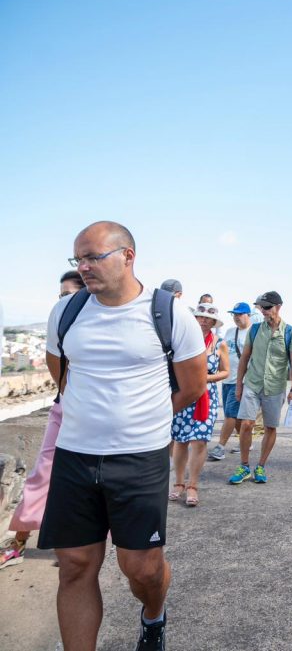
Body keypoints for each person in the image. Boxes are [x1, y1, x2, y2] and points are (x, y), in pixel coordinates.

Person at [41, 221, 206, 651]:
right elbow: (59, 372)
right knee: (75, 565)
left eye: (94, 256)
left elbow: (192, 386)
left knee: (142, 569)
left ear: (128, 256)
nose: (84, 266)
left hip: (139, 459)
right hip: (75, 456)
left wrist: (144, 418)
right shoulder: (66, 311)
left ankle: (154, 616)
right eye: (78, 258)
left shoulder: (169, 312)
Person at [0, 270, 85, 570]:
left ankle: (80, 547)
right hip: (64, 408)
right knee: (41, 475)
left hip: (94, 416)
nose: (61, 300)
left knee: (88, 484)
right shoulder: (60, 326)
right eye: (60, 295)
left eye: (68, 294)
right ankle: (18, 542)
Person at [230, 291, 292, 485]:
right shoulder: (254, 330)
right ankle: (244, 466)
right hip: (252, 384)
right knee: (246, 424)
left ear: (278, 307)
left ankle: (260, 465)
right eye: (261, 307)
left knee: (270, 427)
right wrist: (238, 385)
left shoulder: (289, 332)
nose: (263, 311)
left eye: (267, 307)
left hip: (275, 387)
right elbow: (245, 358)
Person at [169, 304, 229, 507]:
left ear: (213, 323)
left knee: (199, 440)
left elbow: (226, 371)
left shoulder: (220, 343)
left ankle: (192, 485)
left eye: (207, 318)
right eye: (199, 317)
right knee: (180, 440)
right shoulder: (183, 340)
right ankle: (178, 482)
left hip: (206, 396)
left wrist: (206, 378)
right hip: (184, 393)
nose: (203, 321)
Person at [208, 303, 253, 461]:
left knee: (230, 414)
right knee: (234, 416)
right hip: (227, 379)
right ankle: (247, 442)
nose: (236, 317)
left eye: (240, 314)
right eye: (234, 314)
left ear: (249, 315)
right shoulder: (229, 332)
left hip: (242, 380)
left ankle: (220, 447)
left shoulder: (253, 332)